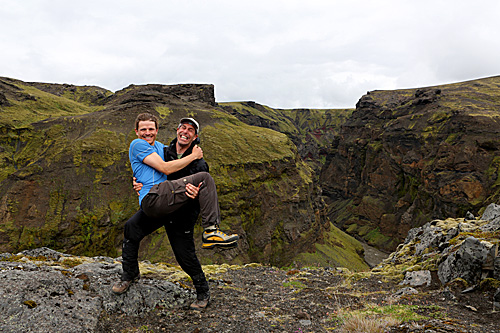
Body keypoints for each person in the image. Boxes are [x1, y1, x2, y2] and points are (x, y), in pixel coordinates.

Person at [112, 114, 239, 310]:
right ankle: (129, 274)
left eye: (190, 130)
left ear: (195, 137)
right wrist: (136, 180)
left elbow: (200, 189)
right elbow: (159, 168)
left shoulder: (198, 163)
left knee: (185, 255)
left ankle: (203, 291)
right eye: (183, 128)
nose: (147, 133)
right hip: (158, 201)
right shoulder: (165, 151)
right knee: (131, 229)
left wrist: (196, 191)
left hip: (181, 211)